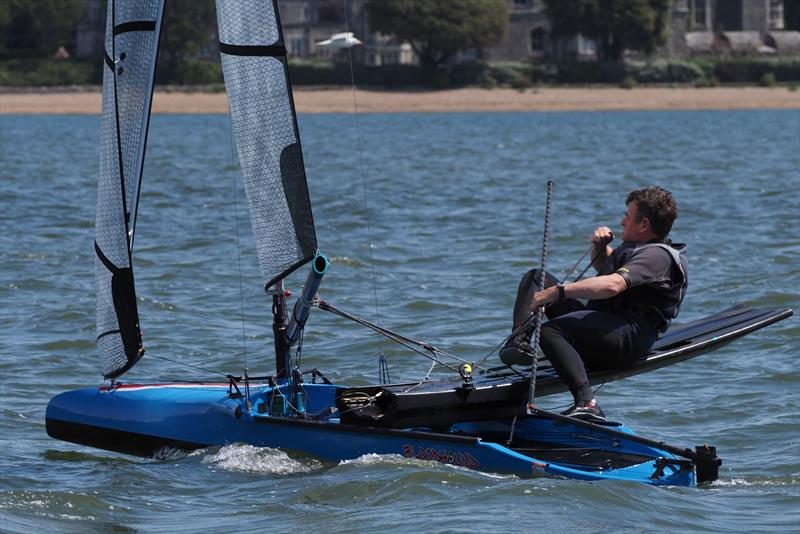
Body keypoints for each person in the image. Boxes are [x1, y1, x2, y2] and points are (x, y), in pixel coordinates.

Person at [500, 186, 687, 422]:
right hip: (607, 325)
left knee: (552, 330)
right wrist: (599, 247)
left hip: (629, 336)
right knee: (536, 277)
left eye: (627, 218)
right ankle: (519, 344)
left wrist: (558, 292)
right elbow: (607, 269)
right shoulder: (638, 250)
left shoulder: (657, 256)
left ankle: (587, 403)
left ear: (643, 225)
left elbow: (612, 285)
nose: (621, 222)